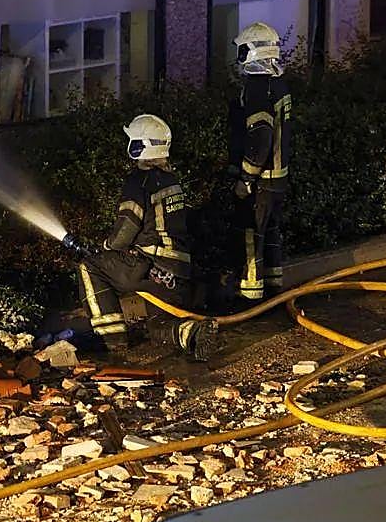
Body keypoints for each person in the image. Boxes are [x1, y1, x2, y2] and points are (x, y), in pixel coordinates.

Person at [72, 114, 218, 361]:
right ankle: (192, 332)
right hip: (178, 273)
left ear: (140, 146)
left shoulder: (138, 182)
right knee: (157, 325)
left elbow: (126, 228)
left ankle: (112, 339)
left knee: (89, 267)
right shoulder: (171, 181)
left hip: (149, 266)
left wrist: (107, 246)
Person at [230, 22, 291, 302]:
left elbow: (261, 136)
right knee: (272, 231)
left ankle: (250, 296)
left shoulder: (256, 88)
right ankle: (274, 286)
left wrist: (246, 178)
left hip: (261, 180)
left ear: (251, 51)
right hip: (279, 177)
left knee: (251, 234)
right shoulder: (278, 84)